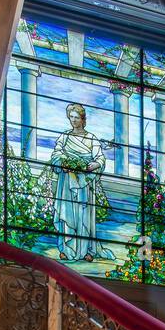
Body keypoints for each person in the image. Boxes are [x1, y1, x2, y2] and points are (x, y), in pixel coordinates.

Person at [49, 103, 114, 262]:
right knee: (67, 212)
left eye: (76, 118)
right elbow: (56, 155)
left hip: (85, 182)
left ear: (83, 119)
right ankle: (67, 248)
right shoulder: (64, 136)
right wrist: (62, 163)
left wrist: (96, 165)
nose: (73, 121)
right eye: (71, 117)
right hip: (67, 181)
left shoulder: (91, 138)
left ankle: (86, 250)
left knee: (83, 215)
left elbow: (100, 158)